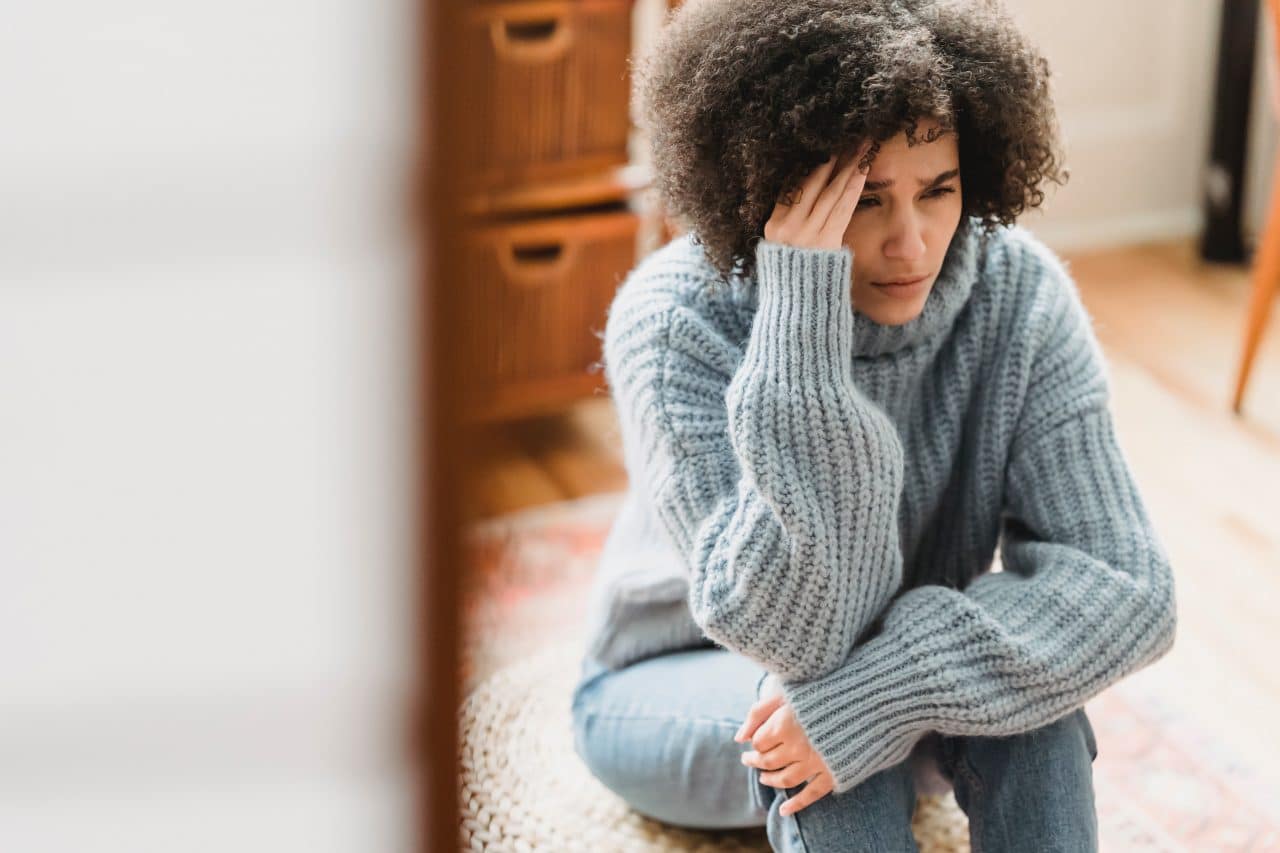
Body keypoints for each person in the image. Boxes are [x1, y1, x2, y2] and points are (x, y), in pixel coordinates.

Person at [571, 0, 1178, 850]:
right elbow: (793, 632)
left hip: (878, 666)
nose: (912, 243)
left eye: (939, 191)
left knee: (1023, 710)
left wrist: (888, 690)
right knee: (811, 724)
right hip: (676, 675)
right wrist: (800, 331)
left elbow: (1128, 586)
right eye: (863, 201)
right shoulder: (677, 322)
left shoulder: (1019, 296)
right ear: (771, 190)